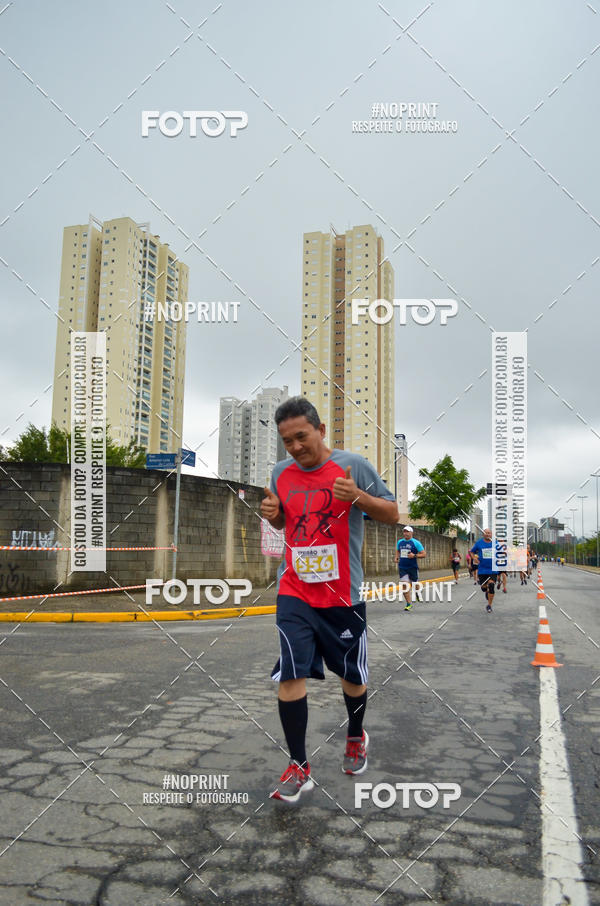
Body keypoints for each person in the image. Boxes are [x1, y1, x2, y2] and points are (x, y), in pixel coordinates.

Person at [261, 397, 399, 803]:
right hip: (295, 590)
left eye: (301, 437)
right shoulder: (280, 472)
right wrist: (273, 515)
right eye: (287, 441)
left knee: (352, 678)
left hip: (342, 595)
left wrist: (357, 496)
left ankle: (356, 735)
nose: (295, 447)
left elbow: (392, 513)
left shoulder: (352, 465)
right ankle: (299, 766)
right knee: (290, 674)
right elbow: (287, 519)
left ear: (321, 431)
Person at [395, 526, 426, 610]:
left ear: (411, 533)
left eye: (407, 531)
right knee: (404, 585)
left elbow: (424, 554)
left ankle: (417, 593)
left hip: (412, 567)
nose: (405, 533)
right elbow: (398, 550)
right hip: (402, 567)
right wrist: (396, 557)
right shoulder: (400, 542)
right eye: (404, 531)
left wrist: (414, 555)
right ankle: (409, 604)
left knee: (414, 584)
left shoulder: (416, 543)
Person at [470, 529, 500, 613]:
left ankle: (489, 605)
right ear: (483, 534)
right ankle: (486, 591)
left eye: (489, 533)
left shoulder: (495, 543)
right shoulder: (479, 543)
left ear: (491, 534)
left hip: (493, 569)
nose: (487, 534)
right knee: (483, 588)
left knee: (491, 585)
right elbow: (471, 552)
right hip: (482, 570)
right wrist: (474, 558)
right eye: (486, 533)